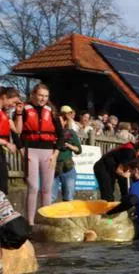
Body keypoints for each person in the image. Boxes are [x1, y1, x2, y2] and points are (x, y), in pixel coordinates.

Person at [14, 83, 60, 222]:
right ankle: (30, 222)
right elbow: (16, 132)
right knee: (33, 187)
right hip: (30, 151)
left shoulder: (51, 111)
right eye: (40, 95)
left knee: (47, 189)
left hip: (48, 152)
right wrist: (21, 149)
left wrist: (55, 153)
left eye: (45, 96)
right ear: (33, 94)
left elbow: (61, 135)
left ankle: (47, 221)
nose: (42, 98)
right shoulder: (24, 110)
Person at [93, 131, 139, 201]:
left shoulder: (138, 154)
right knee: (108, 193)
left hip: (112, 168)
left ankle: (124, 203)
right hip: (103, 167)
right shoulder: (129, 151)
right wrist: (128, 175)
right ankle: (107, 209)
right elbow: (119, 171)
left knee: (125, 188)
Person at [54, 106, 82, 202]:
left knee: (69, 197)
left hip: (67, 168)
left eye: (63, 120)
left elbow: (79, 150)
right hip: (53, 169)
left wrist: (69, 145)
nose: (61, 122)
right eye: (59, 120)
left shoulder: (71, 133)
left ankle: (68, 217)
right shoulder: (51, 133)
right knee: (50, 197)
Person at [0, 87, 21, 195]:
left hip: (1, 151)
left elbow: (17, 129)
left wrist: (18, 113)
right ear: (4, 97)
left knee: (3, 183)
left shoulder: (5, 114)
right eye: (13, 102)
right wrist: (7, 143)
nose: (14, 105)